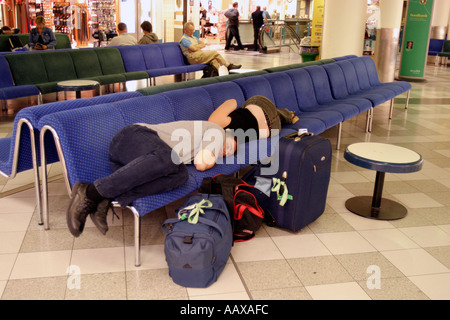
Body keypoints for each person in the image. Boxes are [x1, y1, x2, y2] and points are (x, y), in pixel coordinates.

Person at [66, 118, 235, 237]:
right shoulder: (217, 131)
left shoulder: (195, 146)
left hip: (134, 163)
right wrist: (211, 158)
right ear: (226, 137)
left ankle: (106, 197)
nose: (225, 152)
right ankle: (90, 192)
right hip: (131, 137)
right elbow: (201, 163)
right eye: (229, 147)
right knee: (170, 159)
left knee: (181, 175)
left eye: (229, 154)